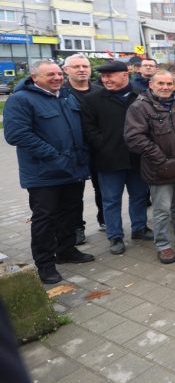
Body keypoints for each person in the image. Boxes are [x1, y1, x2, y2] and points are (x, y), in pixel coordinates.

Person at [4, 60, 94, 284]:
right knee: (45, 219)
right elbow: (16, 134)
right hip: (44, 173)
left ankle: (66, 250)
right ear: (35, 78)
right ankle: (45, 264)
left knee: (70, 213)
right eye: (49, 75)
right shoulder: (21, 100)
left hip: (72, 169)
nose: (56, 78)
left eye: (58, 73)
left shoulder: (65, 96)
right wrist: (53, 154)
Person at [125, 70, 175, 264]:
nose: (166, 87)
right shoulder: (140, 107)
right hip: (159, 169)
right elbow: (134, 138)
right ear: (151, 84)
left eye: (169, 84)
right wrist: (160, 158)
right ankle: (163, 246)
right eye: (161, 83)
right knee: (162, 210)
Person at [81, 60, 152, 255]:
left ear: (124, 75)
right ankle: (115, 236)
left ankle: (139, 228)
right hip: (109, 160)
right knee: (111, 200)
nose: (106, 79)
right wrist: (103, 145)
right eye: (103, 76)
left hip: (137, 158)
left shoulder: (141, 95)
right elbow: (89, 129)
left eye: (110, 75)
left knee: (139, 196)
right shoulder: (92, 99)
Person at [63, 54, 103, 241]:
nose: (81, 70)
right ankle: (77, 228)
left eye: (85, 66)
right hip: (73, 150)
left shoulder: (99, 90)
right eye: (76, 66)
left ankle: (104, 220)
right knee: (73, 193)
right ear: (66, 70)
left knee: (102, 187)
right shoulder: (62, 93)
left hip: (98, 149)